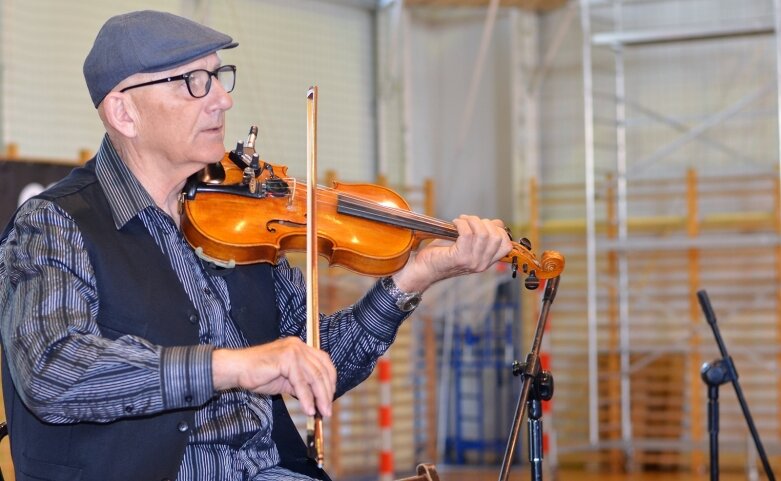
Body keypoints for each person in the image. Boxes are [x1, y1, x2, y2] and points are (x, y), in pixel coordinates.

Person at [0, 10, 512, 481]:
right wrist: (237, 364)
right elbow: (53, 371)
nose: (222, 99)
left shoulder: (242, 222)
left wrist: (415, 275)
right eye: (193, 83)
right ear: (124, 112)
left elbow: (319, 363)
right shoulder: (54, 224)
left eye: (219, 77)